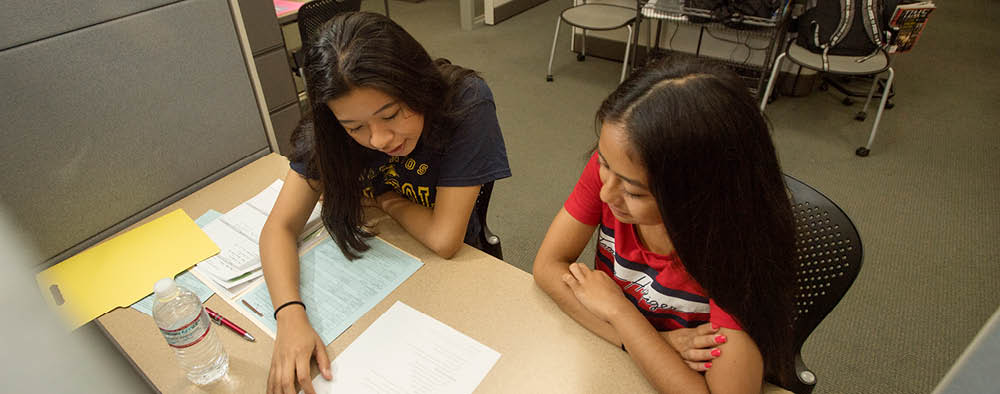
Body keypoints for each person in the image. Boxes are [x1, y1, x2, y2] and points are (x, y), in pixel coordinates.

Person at [260, 12, 510, 394]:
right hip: (377, 266)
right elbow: (279, 226)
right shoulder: (328, 131)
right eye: (355, 128)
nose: (379, 139)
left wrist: (386, 200)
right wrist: (290, 314)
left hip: (450, 273)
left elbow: (445, 239)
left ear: (416, 83)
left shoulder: (464, 102)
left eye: (391, 115)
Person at [532, 56, 797, 393]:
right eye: (602, 163)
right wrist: (659, 341)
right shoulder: (617, 172)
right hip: (621, 363)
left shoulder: (737, 249)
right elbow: (547, 267)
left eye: (633, 192)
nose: (605, 192)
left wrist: (618, 311)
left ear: (697, 194)